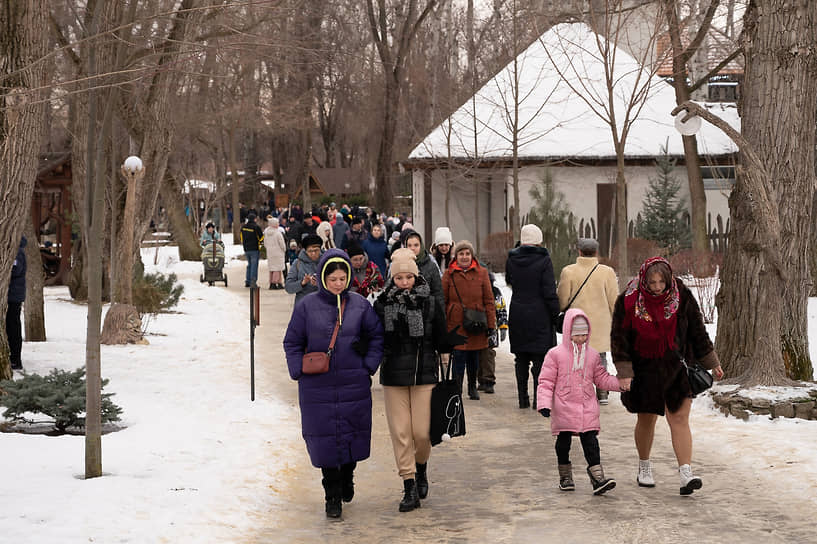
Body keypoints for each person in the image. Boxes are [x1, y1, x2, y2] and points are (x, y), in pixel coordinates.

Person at [283, 249, 385, 520]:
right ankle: (331, 495)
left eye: (342, 278)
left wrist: (368, 365)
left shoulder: (360, 305)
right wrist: (298, 370)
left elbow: (376, 337)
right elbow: (292, 341)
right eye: (333, 278)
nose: (338, 283)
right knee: (325, 442)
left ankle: (348, 476)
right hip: (317, 386)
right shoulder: (307, 306)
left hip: (354, 383)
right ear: (322, 278)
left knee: (351, 435)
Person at [611, 256, 724, 495]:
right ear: (644, 279)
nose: (657, 287)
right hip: (645, 370)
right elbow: (619, 340)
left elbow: (697, 329)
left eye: (661, 282)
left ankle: (686, 473)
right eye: (651, 282)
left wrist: (711, 362)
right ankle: (644, 465)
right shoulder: (629, 301)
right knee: (646, 419)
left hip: (678, 368)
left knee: (680, 419)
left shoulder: (681, 295)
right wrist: (624, 372)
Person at [373, 249, 462, 512]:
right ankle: (409, 485)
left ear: (416, 276)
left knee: (422, 434)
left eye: (408, 277)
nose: (403, 282)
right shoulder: (383, 304)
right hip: (393, 375)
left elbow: (440, 336)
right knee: (401, 434)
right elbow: (375, 336)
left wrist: (447, 349)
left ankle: (421, 467)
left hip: (424, 374)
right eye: (398, 278)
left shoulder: (430, 303)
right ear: (392, 278)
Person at [536, 310, 622, 495]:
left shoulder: (592, 355)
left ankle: (598, 478)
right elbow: (546, 381)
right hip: (564, 407)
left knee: (591, 442)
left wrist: (621, 384)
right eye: (577, 335)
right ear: (568, 333)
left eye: (584, 334)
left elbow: (601, 378)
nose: (581, 339)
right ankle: (565, 476)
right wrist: (544, 403)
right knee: (563, 443)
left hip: (586, 406)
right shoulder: (555, 355)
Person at [557, 238, 619, 404]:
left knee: (577, 357)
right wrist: (617, 320)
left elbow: (563, 300)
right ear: (596, 252)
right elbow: (614, 300)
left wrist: (563, 309)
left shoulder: (568, 271)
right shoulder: (607, 272)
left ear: (579, 251)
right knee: (600, 358)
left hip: (578, 323)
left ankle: (580, 392)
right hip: (600, 324)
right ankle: (603, 392)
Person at [505, 224, 560, 409]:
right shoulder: (544, 260)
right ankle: (539, 399)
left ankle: (523, 398)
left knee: (520, 357)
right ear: (539, 240)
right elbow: (549, 291)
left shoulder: (512, 259)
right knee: (539, 359)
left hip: (518, 312)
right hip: (539, 314)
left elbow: (509, 281)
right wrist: (555, 314)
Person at [442, 240, 495, 400]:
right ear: (456, 256)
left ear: (472, 256)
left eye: (467, 254)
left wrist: (491, 324)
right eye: (461, 254)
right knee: (458, 357)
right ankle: (456, 388)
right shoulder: (449, 273)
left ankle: (472, 387)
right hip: (456, 322)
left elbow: (489, 300)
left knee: (474, 357)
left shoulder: (482, 273)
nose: (464, 257)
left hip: (476, 322)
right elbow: (443, 301)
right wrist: (443, 324)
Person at [285, 234, 324, 305]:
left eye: (316, 250)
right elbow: (288, 287)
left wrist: (320, 284)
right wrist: (302, 283)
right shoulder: (297, 263)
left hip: (323, 305)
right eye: (310, 251)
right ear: (305, 250)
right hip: (303, 305)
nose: (313, 253)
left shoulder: (326, 262)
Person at [6, 237, 26, 371]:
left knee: (13, 327)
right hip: (11, 295)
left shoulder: (16, 251)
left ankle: (15, 359)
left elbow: (15, 269)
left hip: (13, 296)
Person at [240, 213, 264, 287]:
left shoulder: (243, 227)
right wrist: (260, 243)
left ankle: (247, 281)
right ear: (254, 219)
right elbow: (261, 238)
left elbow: (241, 237)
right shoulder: (256, 227)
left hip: (246, 249)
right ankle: (253, 281)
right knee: (254, 265)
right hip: (254, 249)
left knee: (249, 265)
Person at [264, 217, 287, 290]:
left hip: (270, 253)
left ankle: (275, 282)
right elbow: (282, 243)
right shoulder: (277, 233)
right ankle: (275, 283)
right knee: (277, 269)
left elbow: (265, 243)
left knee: (272, 269)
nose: (278, 224)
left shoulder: (266, 233)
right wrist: (284, 249)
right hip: (278, 253)